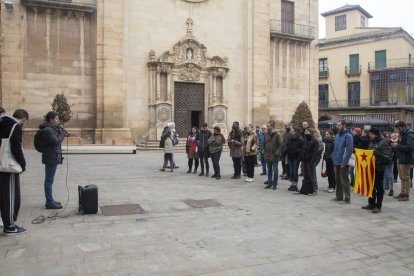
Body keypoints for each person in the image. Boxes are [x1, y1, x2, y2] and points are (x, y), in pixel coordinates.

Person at [0, 109, 29, 235]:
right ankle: (10, 226)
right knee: (11, 197)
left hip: (1, 165)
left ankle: (6, 222)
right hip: (9, 167)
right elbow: (17, 149)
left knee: (3, 197)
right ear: (24, 119)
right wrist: (23, 165)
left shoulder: (2, 123)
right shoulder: (14, 126)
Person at [37, 111, 68, 209]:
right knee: (49, 180)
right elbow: (55, 141)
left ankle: (50, 200)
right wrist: (63, 133)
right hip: (50, 157)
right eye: (56, 118)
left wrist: (60, 131)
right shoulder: (48, 130)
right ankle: (49, 202)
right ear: (51, 119)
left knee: (50, 179)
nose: (58, 120)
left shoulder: (52, 129)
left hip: (52, 156)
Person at [361, 128, 392, 213]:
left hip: (379, 168)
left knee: (379, 188)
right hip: (371, 168)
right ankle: (371, 203)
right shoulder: (371, 142)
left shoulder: (383, 143)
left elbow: (389, 158)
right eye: (369, 134)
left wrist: (379, 154)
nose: (369, 135)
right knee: (371, 187)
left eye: (371, 134)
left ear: (376, 134)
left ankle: (378, 206)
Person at [331, 120, 354, 204]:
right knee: (337, 180)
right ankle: (339, 196)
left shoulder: (348, 136)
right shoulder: (337, 135)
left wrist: (344, 162)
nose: (338, 127)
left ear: (344, 125)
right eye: (337, 125)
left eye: (339, 125)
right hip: (336, 160)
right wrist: (333, 156)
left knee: (344, 181)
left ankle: (347, 198)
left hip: (343, 162)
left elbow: (349, 150)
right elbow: (335, 148)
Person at [390, 121, 414, 201]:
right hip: (400, 157)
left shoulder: (409, 135)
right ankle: (402, 192)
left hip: (406, 158)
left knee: (406, 177)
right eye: (397, 128)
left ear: (403, 126)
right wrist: (395, 144)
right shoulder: (402, 134)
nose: (398, 130)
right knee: (401, 177)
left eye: (399, 128)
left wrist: (397, 145)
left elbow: (410, 147)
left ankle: (406, 195)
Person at [298, 128, 319, 196]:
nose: (305, 133)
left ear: (311, 133)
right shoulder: (306, 140)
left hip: (310, 161)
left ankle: (314, 190)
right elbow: (303, 150)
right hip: (304, 161)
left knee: (312, 176)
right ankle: (305, 189)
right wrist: (301, 158)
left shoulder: (315, 141)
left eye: (307, 132)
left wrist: (312, 162)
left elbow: (315, 153)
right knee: (305, 176)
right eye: (305, 131)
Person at [263, 120, 283, 190]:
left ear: (272, 126)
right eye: (267, 125)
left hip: (274, 156)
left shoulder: (277, 134)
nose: (267, 127)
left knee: (275, 171)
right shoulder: (266, 134)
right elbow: (263, 143)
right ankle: (269, 183)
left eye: (268, 126)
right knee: (269, 171)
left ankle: (274, 184)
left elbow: (280, 145)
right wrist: (264, 151)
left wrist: (277, 153)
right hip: (267, 155)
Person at [286, 127, 303, 192]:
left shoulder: (300, 139)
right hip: (290, 156)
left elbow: (302, 148)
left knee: (295, 171)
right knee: (291, 171)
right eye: (290, 131)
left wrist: (297, 151)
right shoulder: (290, 138)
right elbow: (287, 145)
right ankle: (292, 184)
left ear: (296, 131)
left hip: (296, 157)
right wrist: (287, 149)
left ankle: (295, 185)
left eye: (292, 131)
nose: (291, 132)